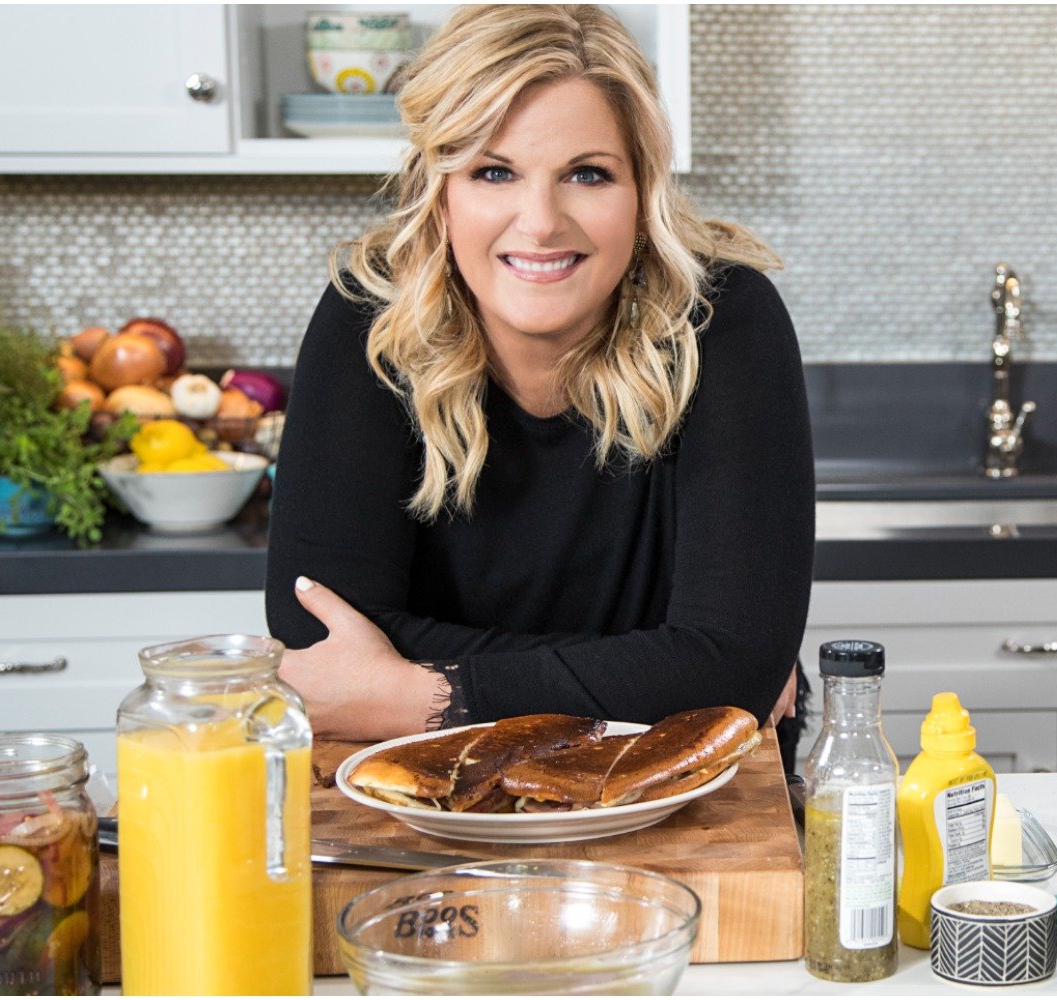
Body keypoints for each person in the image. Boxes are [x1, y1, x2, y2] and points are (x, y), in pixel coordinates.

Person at [264, 4, 814, 771]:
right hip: (434, 792)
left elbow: (732, 669)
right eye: (494, 172)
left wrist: (419, 697)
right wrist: (677, 669)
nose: (541, 221)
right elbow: (317, 637)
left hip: (684, 794)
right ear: (440, 188)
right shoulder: (372, 317)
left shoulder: (722, 320)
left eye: (587, 174)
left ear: (641, 187)